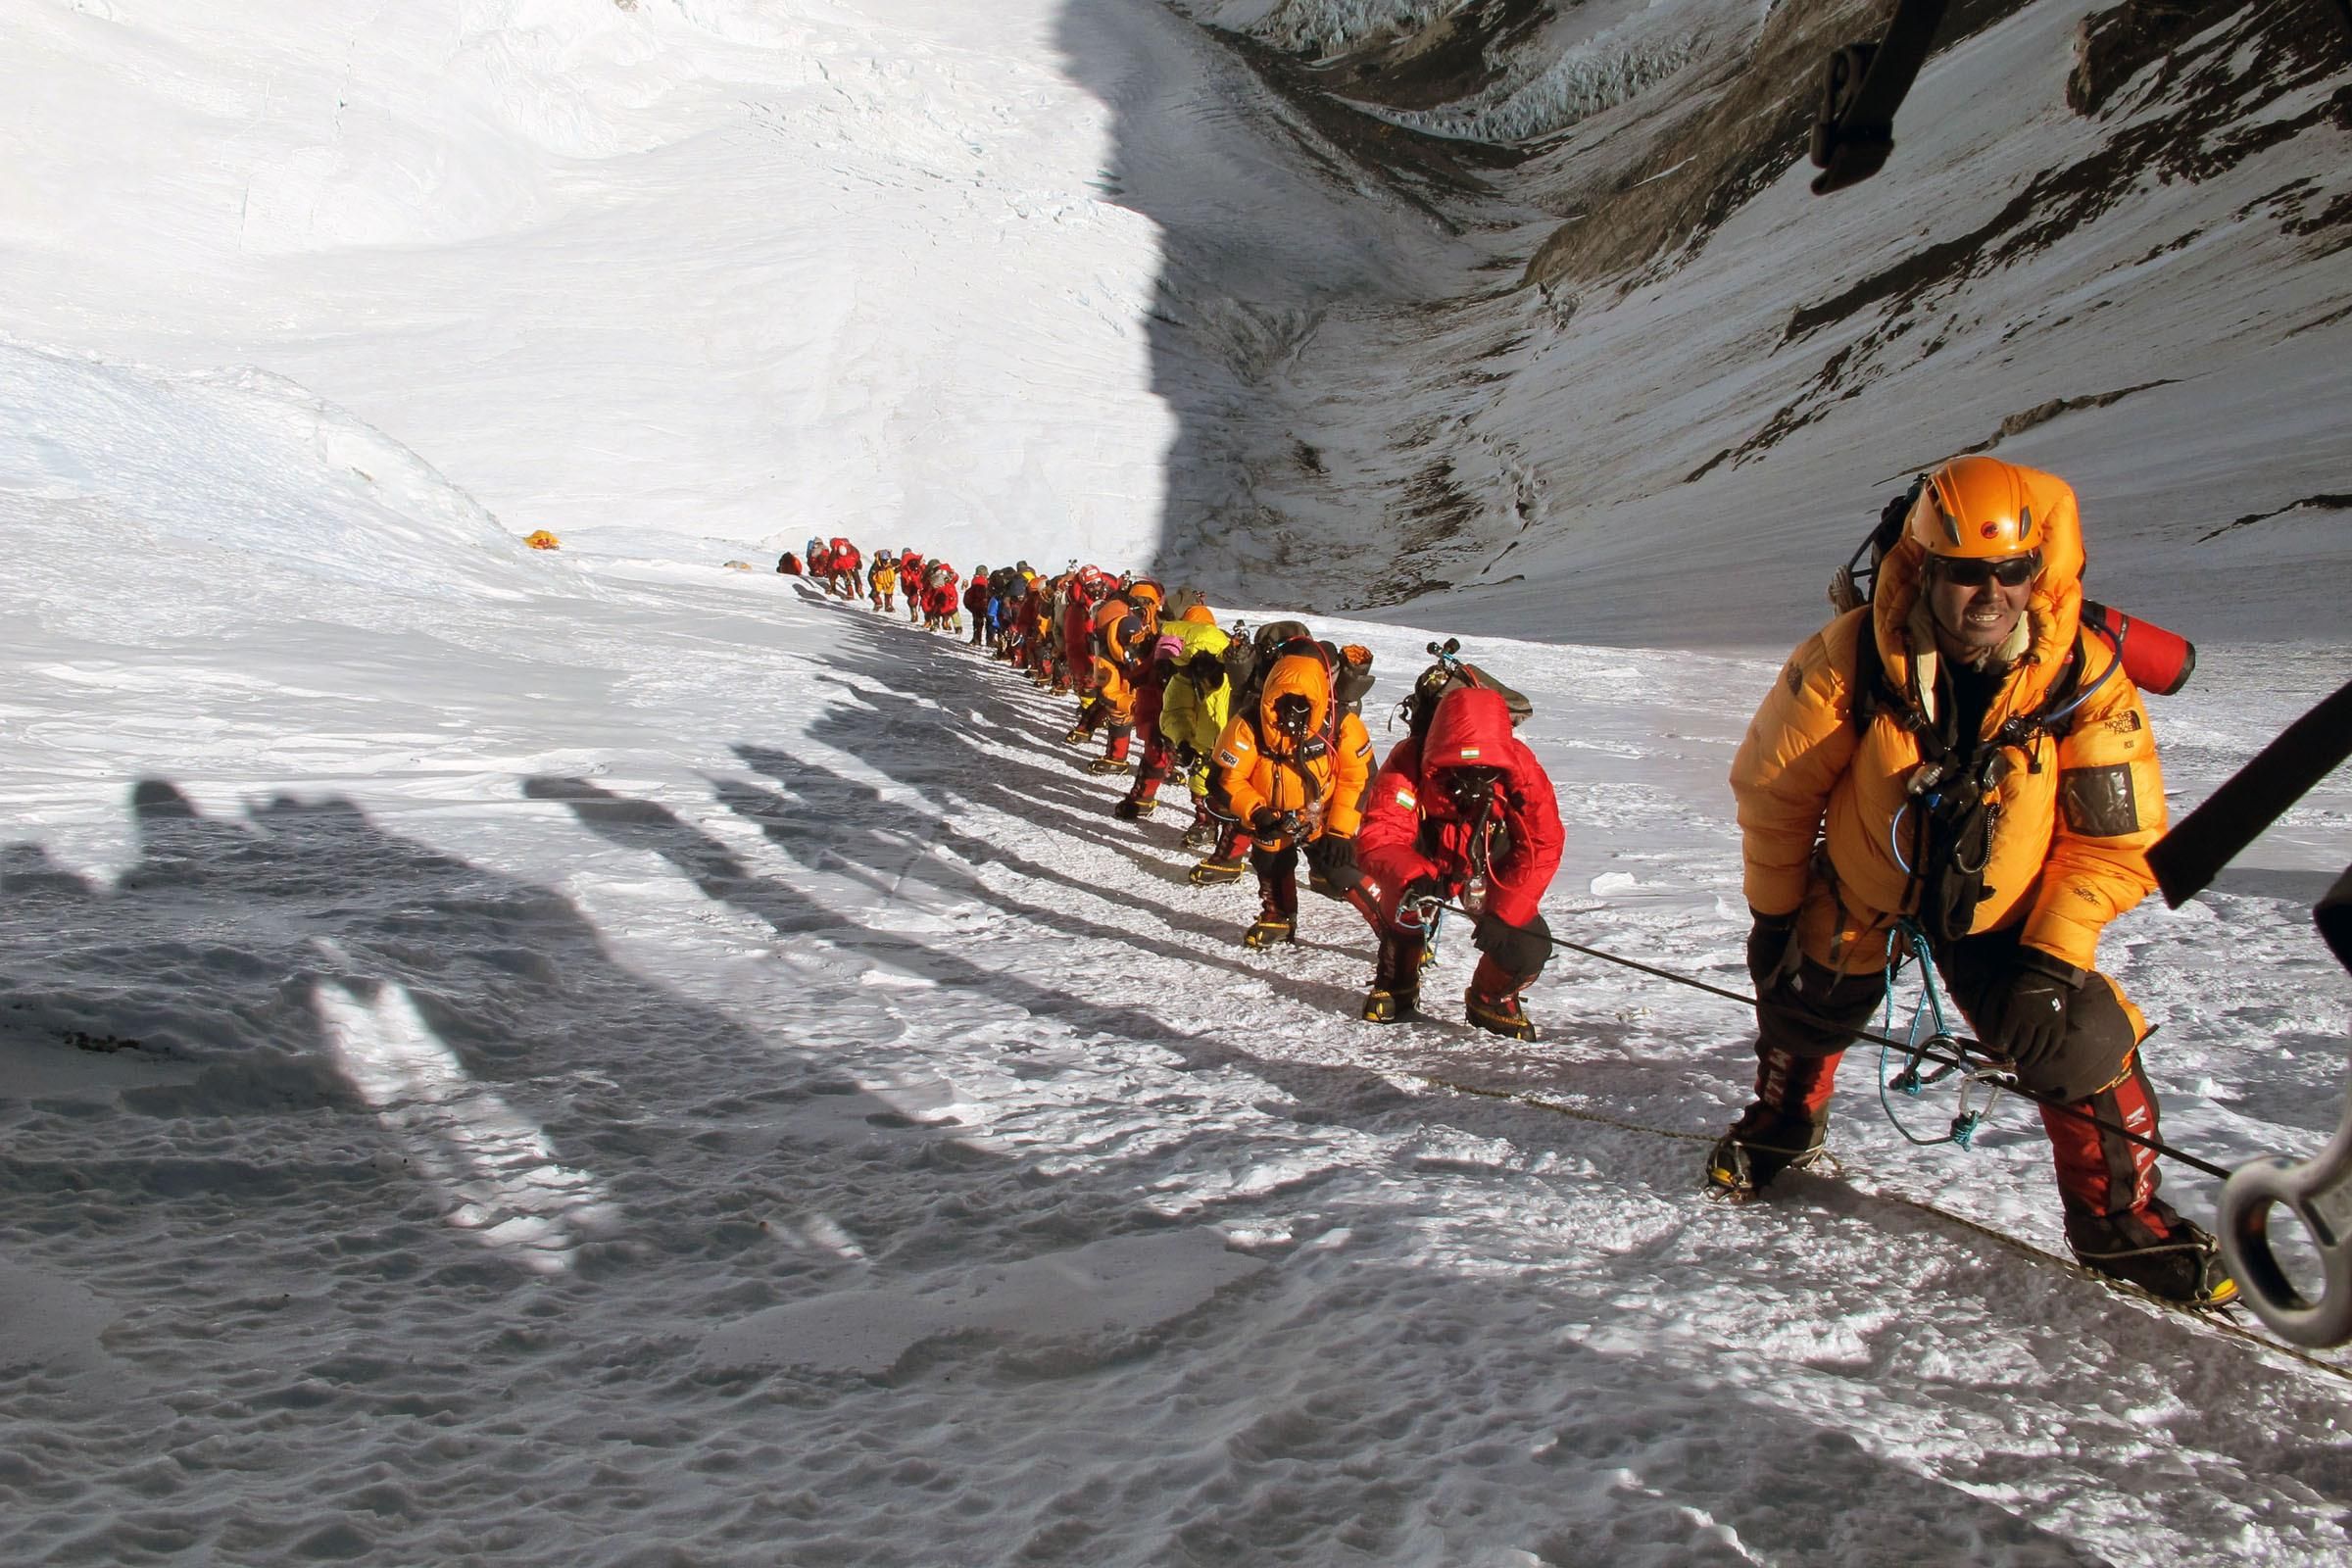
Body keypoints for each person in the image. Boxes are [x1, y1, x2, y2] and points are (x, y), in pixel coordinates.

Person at [1711, 454, 2232, 1305]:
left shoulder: (2085, 677)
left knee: (2081, 1040)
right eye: (1964, 574)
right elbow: (1775, 791)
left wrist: (2054, 962)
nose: (1990, 594)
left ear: (2037, 571)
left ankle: (2121, 1229)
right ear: (1923, 569)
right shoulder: (1852, 658)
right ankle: (1783, 1123)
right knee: (1802, 999)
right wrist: (1774, 916)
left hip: (2006, 908)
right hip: (1862, 886)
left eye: (2012, 571)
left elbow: (2117, 840)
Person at [1355, 677, 1562, 1040]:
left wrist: (1507, 912)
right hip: (1426, 859)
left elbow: (1542, 842)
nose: (1472, 779)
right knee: (1402, 911)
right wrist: (1411, 877)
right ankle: (1398, 983)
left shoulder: (1520, 769)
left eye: (1485, 770)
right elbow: (1381, 833)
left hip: (1491, 867)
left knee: (1525, 943)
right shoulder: (1410, 761)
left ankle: (1490, 998)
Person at [1208, 643, 1376, 948]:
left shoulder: (1340, 725)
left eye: (1302, 703)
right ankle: (1278, 916)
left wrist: (1340, 830)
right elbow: (1225, 777)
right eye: (1284, 701)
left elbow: (1359, 778)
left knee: (1341, 870)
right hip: (1271, 814)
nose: (1292, 710)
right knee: (1269, 862)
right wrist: (1257, 811)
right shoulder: (1249, 724)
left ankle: (1399, 932)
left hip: (1321, 815)